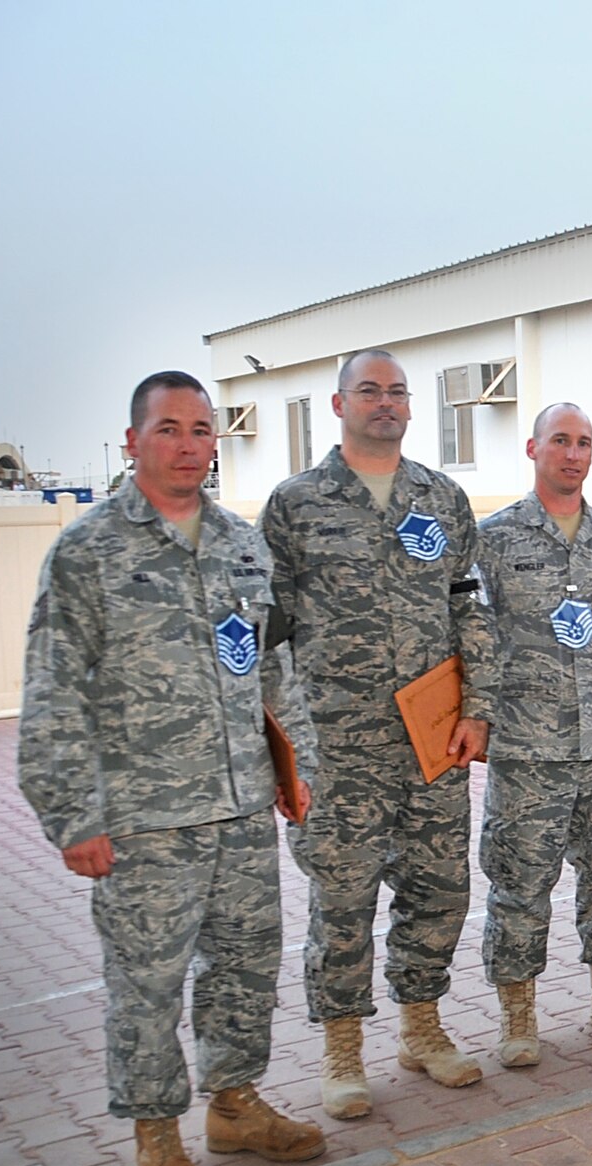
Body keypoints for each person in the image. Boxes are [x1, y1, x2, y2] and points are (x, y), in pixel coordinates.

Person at [18, 371, 325, 1166]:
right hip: (144, 819)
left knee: (246, 963)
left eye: (201, 430)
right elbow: (53, 689)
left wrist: (298, 769)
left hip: (240, 808)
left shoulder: (241, 544)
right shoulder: (88, 552)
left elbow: (271, 664)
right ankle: (156, 1137)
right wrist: (72, 815)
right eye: (169, 430)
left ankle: (234, 1104)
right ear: (132, 442)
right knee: (147, 982)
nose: (188, 445)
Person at [259, 348, 496, 1118]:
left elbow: (471, 610)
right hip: (339, 746)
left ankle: (421, 1029)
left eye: (397, 392)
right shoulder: (295, 504)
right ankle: (342, 1052)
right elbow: (268, 637)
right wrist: (292, 748)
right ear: (339, 405)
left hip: (432, 743)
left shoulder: (442, 498)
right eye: (369, 391)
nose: (385, 403)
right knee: (343, 900)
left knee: (441, 889)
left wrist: (477, 709)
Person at [476, 403, 592, 1056]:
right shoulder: (492, 539)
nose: (572, 454)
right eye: (559, 441)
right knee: (521, 883)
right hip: (527, 747)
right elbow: (474, 635)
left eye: (583, 443)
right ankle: (518, 1015)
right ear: (532, 449)